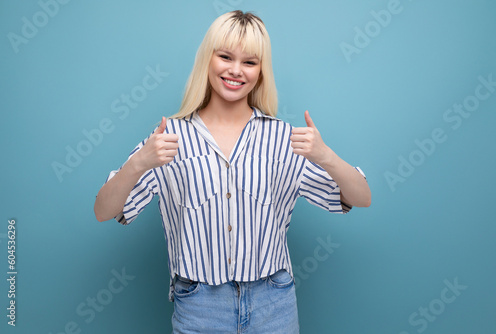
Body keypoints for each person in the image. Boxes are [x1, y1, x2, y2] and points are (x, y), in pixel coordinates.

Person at [94, 10, 371, 333]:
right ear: (207, 60)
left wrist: (326, 156)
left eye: (250, 62)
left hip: (274, 304)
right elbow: (104, 211)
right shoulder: (168, 139)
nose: (236, 70)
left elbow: (361, 197)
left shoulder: (283, 139)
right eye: (225, 56)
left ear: (261, 71)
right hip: (199, 306)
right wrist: (138, 163)